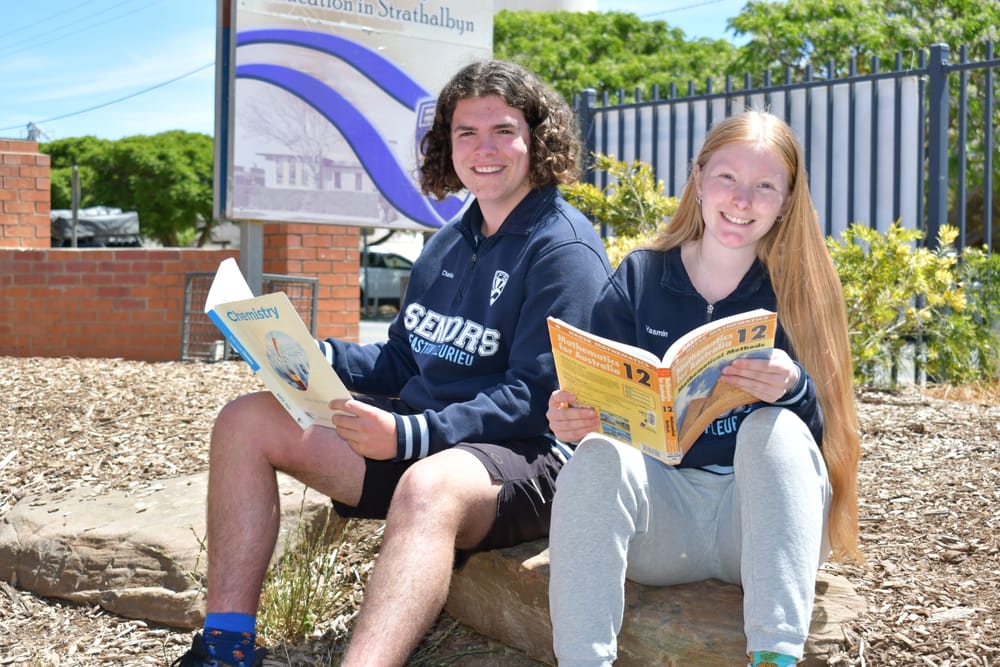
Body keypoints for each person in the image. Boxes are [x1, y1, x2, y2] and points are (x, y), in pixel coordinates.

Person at [172, 59, 611, 667]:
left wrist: (412, 434)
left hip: (533, 455)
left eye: (503, 130)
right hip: (430, 436)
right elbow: (405, 358)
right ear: (446, 146)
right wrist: (308, 354)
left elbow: (541, 395)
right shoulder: (447, 244)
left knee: (426, 485)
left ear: (536, 139)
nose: (484, 148)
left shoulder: (564, 248)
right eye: (466, 133)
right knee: (247, 421)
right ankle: (225, 647)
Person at [545, 110, 862, 667]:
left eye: (765, 186)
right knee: (595, 457)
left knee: (775, 427)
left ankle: (775, 656)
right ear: (697, 178)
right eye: (727, 178)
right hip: (663, 522)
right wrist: (576, 418)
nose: (742, 200)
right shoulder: (642, 275)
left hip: (760, 531)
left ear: (787, 200)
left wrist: (792, 388)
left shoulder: (798, 286)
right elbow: (599, 403)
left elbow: (823, 446)